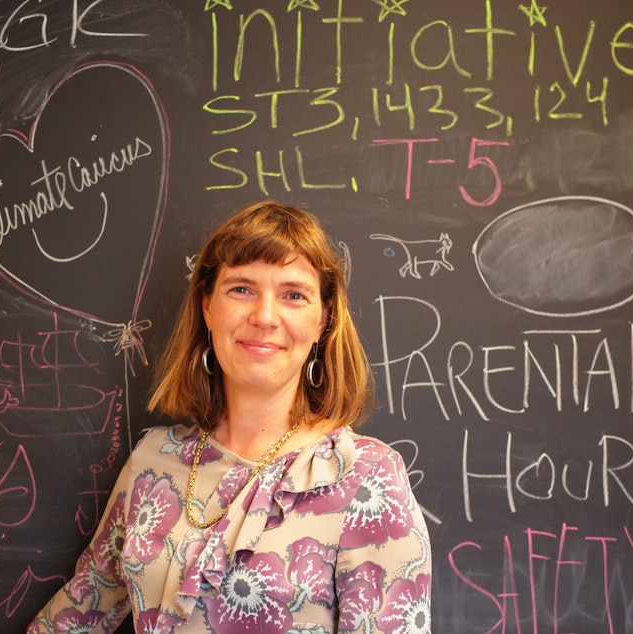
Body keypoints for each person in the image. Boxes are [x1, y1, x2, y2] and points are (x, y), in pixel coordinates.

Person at [29, 200, 432, 633]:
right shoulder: (153, 461)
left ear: (323, 321)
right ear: (207, 307)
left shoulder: (364, 479)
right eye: (241, 289)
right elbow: (76, 615)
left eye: (294, 295)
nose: (264, 317)